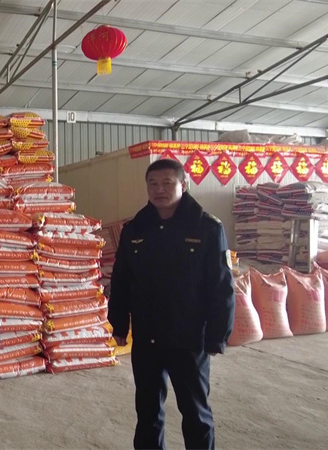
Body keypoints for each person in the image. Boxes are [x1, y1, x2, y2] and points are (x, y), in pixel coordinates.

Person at [108, 158, 235, 450]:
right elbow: (122, 280)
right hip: (147, 337)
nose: (159, 190)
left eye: (167, 183)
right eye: (153, 184)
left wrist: (218, 336)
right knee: (148, 413)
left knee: (195, 413)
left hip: (188, 338)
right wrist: (119, 325)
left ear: (183, 185)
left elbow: (221, 287)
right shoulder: (135, 229)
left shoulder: (206, 228)